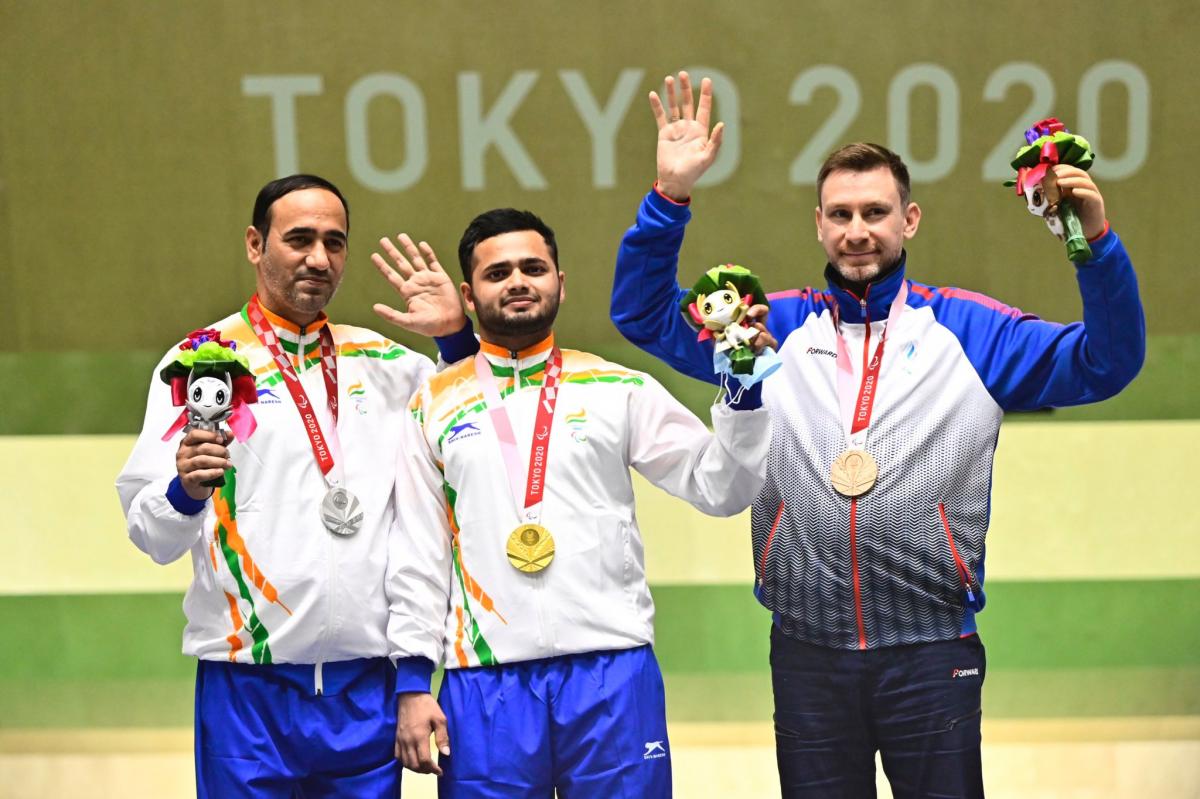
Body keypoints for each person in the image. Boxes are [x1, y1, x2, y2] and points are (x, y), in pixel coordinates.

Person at [610, 73, 1145, 798]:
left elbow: (1107, 362)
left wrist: (1097, 243)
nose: (856, 229)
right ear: (819, 224)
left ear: (910, 219)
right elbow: (641, 315)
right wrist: (669, 197)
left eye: (874, 211)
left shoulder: (972, 331)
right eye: (839, 213)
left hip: (931, 651)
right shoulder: (765, 329)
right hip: (806, 653)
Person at [383, 208, 771, 798]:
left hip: (613, 674)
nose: (518, 281)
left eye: (533, 268)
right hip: (484, 683)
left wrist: (742, 390)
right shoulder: (430, 405)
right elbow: (417, 549)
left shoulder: (620, 389)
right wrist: (412, 681)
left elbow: (721, 488)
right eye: (498, 272)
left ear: (560, 283)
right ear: (469, 293)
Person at [116, 174, 475, 797]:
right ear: (256, 245)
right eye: (299, 239)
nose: (319, 258)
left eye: (334, 242)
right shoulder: (201, 364)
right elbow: (150, 533)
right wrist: (184, 491)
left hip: (366, 688)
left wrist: (454, 337)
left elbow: (479, 416)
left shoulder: (389, 364)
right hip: (247, 689)